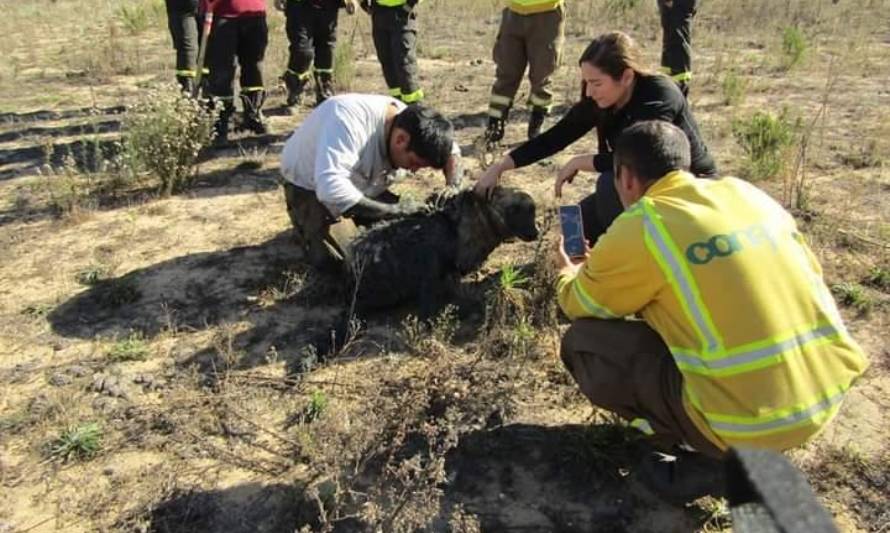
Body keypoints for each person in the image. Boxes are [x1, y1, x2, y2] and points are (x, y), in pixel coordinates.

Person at [553, 120, 868, 500]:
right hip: (825, 395)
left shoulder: (645, 224)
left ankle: (706, 458)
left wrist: (569, 274)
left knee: (583, 341)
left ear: (626, 178)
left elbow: (577, 304)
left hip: (749, 426)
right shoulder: (746, 193)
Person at [476, 31, 716, 242]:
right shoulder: (600, 100)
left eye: (597, 83)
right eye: (586, 82)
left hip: (691, 187)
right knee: (574, 228)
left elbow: (644, 158)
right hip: (638, 187)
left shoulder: (659, 94)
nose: (589, 91)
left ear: (627, 77)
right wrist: (500, 167)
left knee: (608, 184)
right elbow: (555, 137)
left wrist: (580, 161)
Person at [279, 94, 463, 273]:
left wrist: (452, 187)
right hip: (311, 187)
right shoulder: (348, 121)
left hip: (364, 185)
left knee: (415, 233)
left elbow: (451, 151)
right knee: (350, 263)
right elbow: (330, 188)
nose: (414, 171)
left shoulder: (413, 124)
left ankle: (362, 218)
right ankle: (306, 225)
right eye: (414, 163)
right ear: (401, 140)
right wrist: (394, 211)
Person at [484, 0, 566, 143]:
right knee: (506, 73)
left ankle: (536, 123)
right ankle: (495, 123)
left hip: (547, 13)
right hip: (513, 13)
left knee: (542, 75)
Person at [202, 0, 269, 143]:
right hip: (221, 14)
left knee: (254, 67)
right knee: (221, 71)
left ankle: (253, 114)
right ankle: (221, 123)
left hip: (254, 12)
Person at [278, 0, 357, 110]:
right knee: (302, 51)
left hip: (329, 7)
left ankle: (324, 90)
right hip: (299, 7)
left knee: (326, 50)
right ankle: (296, 91)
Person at [360, 0, 424, 104]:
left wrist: (408, 6)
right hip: (379, 13)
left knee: (405, 65)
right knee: (388, 64)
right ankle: (398, 107)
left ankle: (415, 111)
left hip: (402, 13)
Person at [657, 0, 699, 97]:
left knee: (677, 42)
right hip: (674, 8)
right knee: (671, 43)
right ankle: (669, 89)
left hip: (677, 6)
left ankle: (679, 90)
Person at [165, 0, 202, 94]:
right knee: (188, 50)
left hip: (209, 8)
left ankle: (207, 91)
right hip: (182, 9)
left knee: (210, 49)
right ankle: (188, 90)